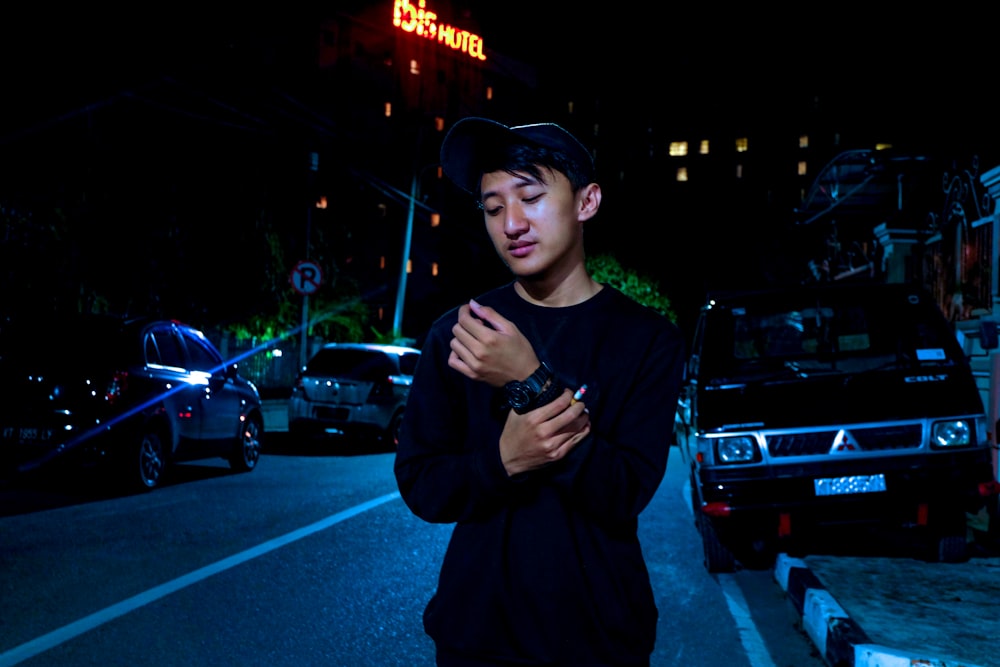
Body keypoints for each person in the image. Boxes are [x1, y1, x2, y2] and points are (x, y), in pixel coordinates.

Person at [394, 117, 686, 667]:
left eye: (530, 197)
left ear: (586, 202)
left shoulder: (648, 340)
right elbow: (421, 483)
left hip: (599, 639)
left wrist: (530, 381)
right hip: (475, 637)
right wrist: (501, 463)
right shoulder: (462, 332)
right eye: (493, 206)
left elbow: (624, 491)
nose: (512, 223)